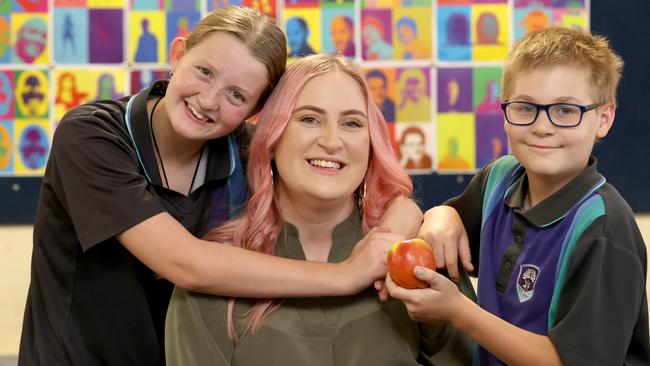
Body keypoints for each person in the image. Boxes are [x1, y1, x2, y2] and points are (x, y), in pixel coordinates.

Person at [18, 7, 421, 366]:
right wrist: (345, 275)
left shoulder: (245, 155)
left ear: (256, 112)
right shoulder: (91, 135)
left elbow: (377, 194)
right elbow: (184, 263)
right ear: (178, 55)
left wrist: (415, 224)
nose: (209, 100)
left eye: (236, 94)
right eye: (204, 72)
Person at [166, 54, 474, 365]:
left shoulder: (423, 254)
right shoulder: (209, 279)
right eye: (309, 118)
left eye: (352, 123)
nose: (331, 141)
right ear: (272, 136)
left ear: (371, 144)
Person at [387, 26, 649, 365]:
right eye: (525, 107)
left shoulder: (603, 230)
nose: (542, 126)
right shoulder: (499, 178)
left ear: (603, 119)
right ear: (505, 112)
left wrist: (459, 312)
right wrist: (442, 214)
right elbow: (451, 226)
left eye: (566, 111)